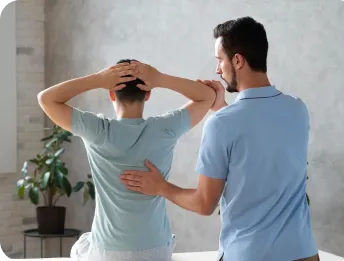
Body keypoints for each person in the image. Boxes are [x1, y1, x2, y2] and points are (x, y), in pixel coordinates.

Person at [120, 17, 319, 261]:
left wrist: (160, 187)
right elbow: (259, 135)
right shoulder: (297, 109)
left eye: (220, 60)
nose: (217, 69)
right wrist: (221, 107)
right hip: (304, 254)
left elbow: (204, 204)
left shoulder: (223, 123)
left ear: (238, 60)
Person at [37, 59, 215, 261]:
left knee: (82, 245)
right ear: (148, 94)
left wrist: (97, 79)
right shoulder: (165, 128)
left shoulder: (97, 130)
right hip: (157, 252)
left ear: (111, 93)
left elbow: (46, 99)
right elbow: (208, 97)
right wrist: (160, 78)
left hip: (107, 254)